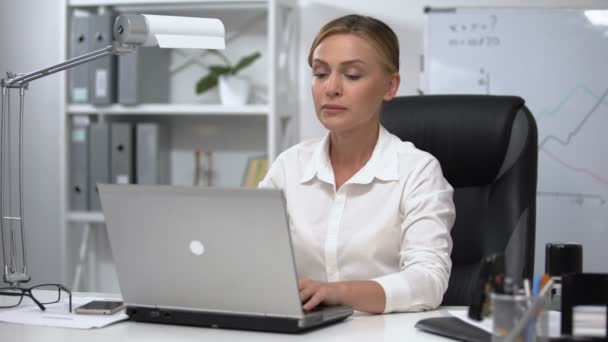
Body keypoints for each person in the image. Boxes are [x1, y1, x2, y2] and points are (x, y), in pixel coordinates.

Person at [259, 14, 455, 314]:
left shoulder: (418, 171)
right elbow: (252, 257)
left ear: (390, 86)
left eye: (351, 75)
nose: (331, 88)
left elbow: (429, 281)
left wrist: (336, 293)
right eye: (320, 73)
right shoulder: (289, 167)